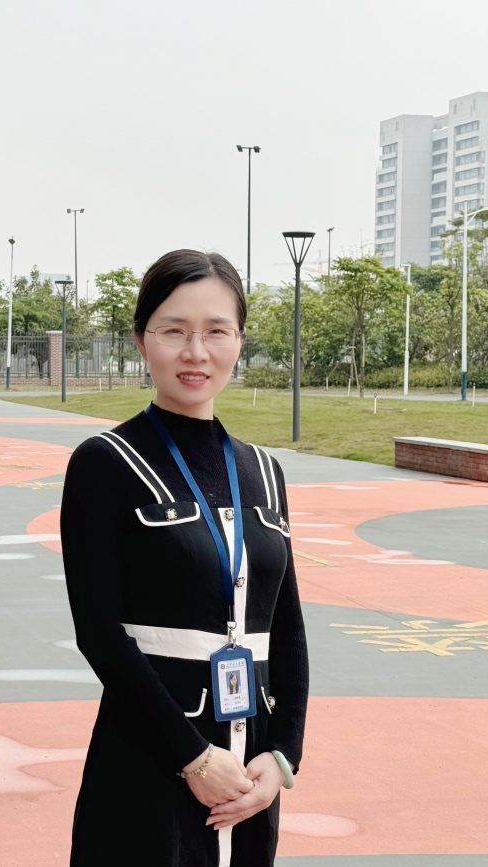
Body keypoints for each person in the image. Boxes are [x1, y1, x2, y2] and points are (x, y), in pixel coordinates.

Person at [60, 249, 309, 866]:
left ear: (239, 341)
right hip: (149, 762)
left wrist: (282, 756)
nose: (196, 352)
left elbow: (287, 627)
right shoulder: (105, 464)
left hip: (249, 777)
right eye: (174, 331)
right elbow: (99, 633)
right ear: (141, 341)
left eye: (216, 331)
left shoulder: (264, 473)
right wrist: (193, 757)